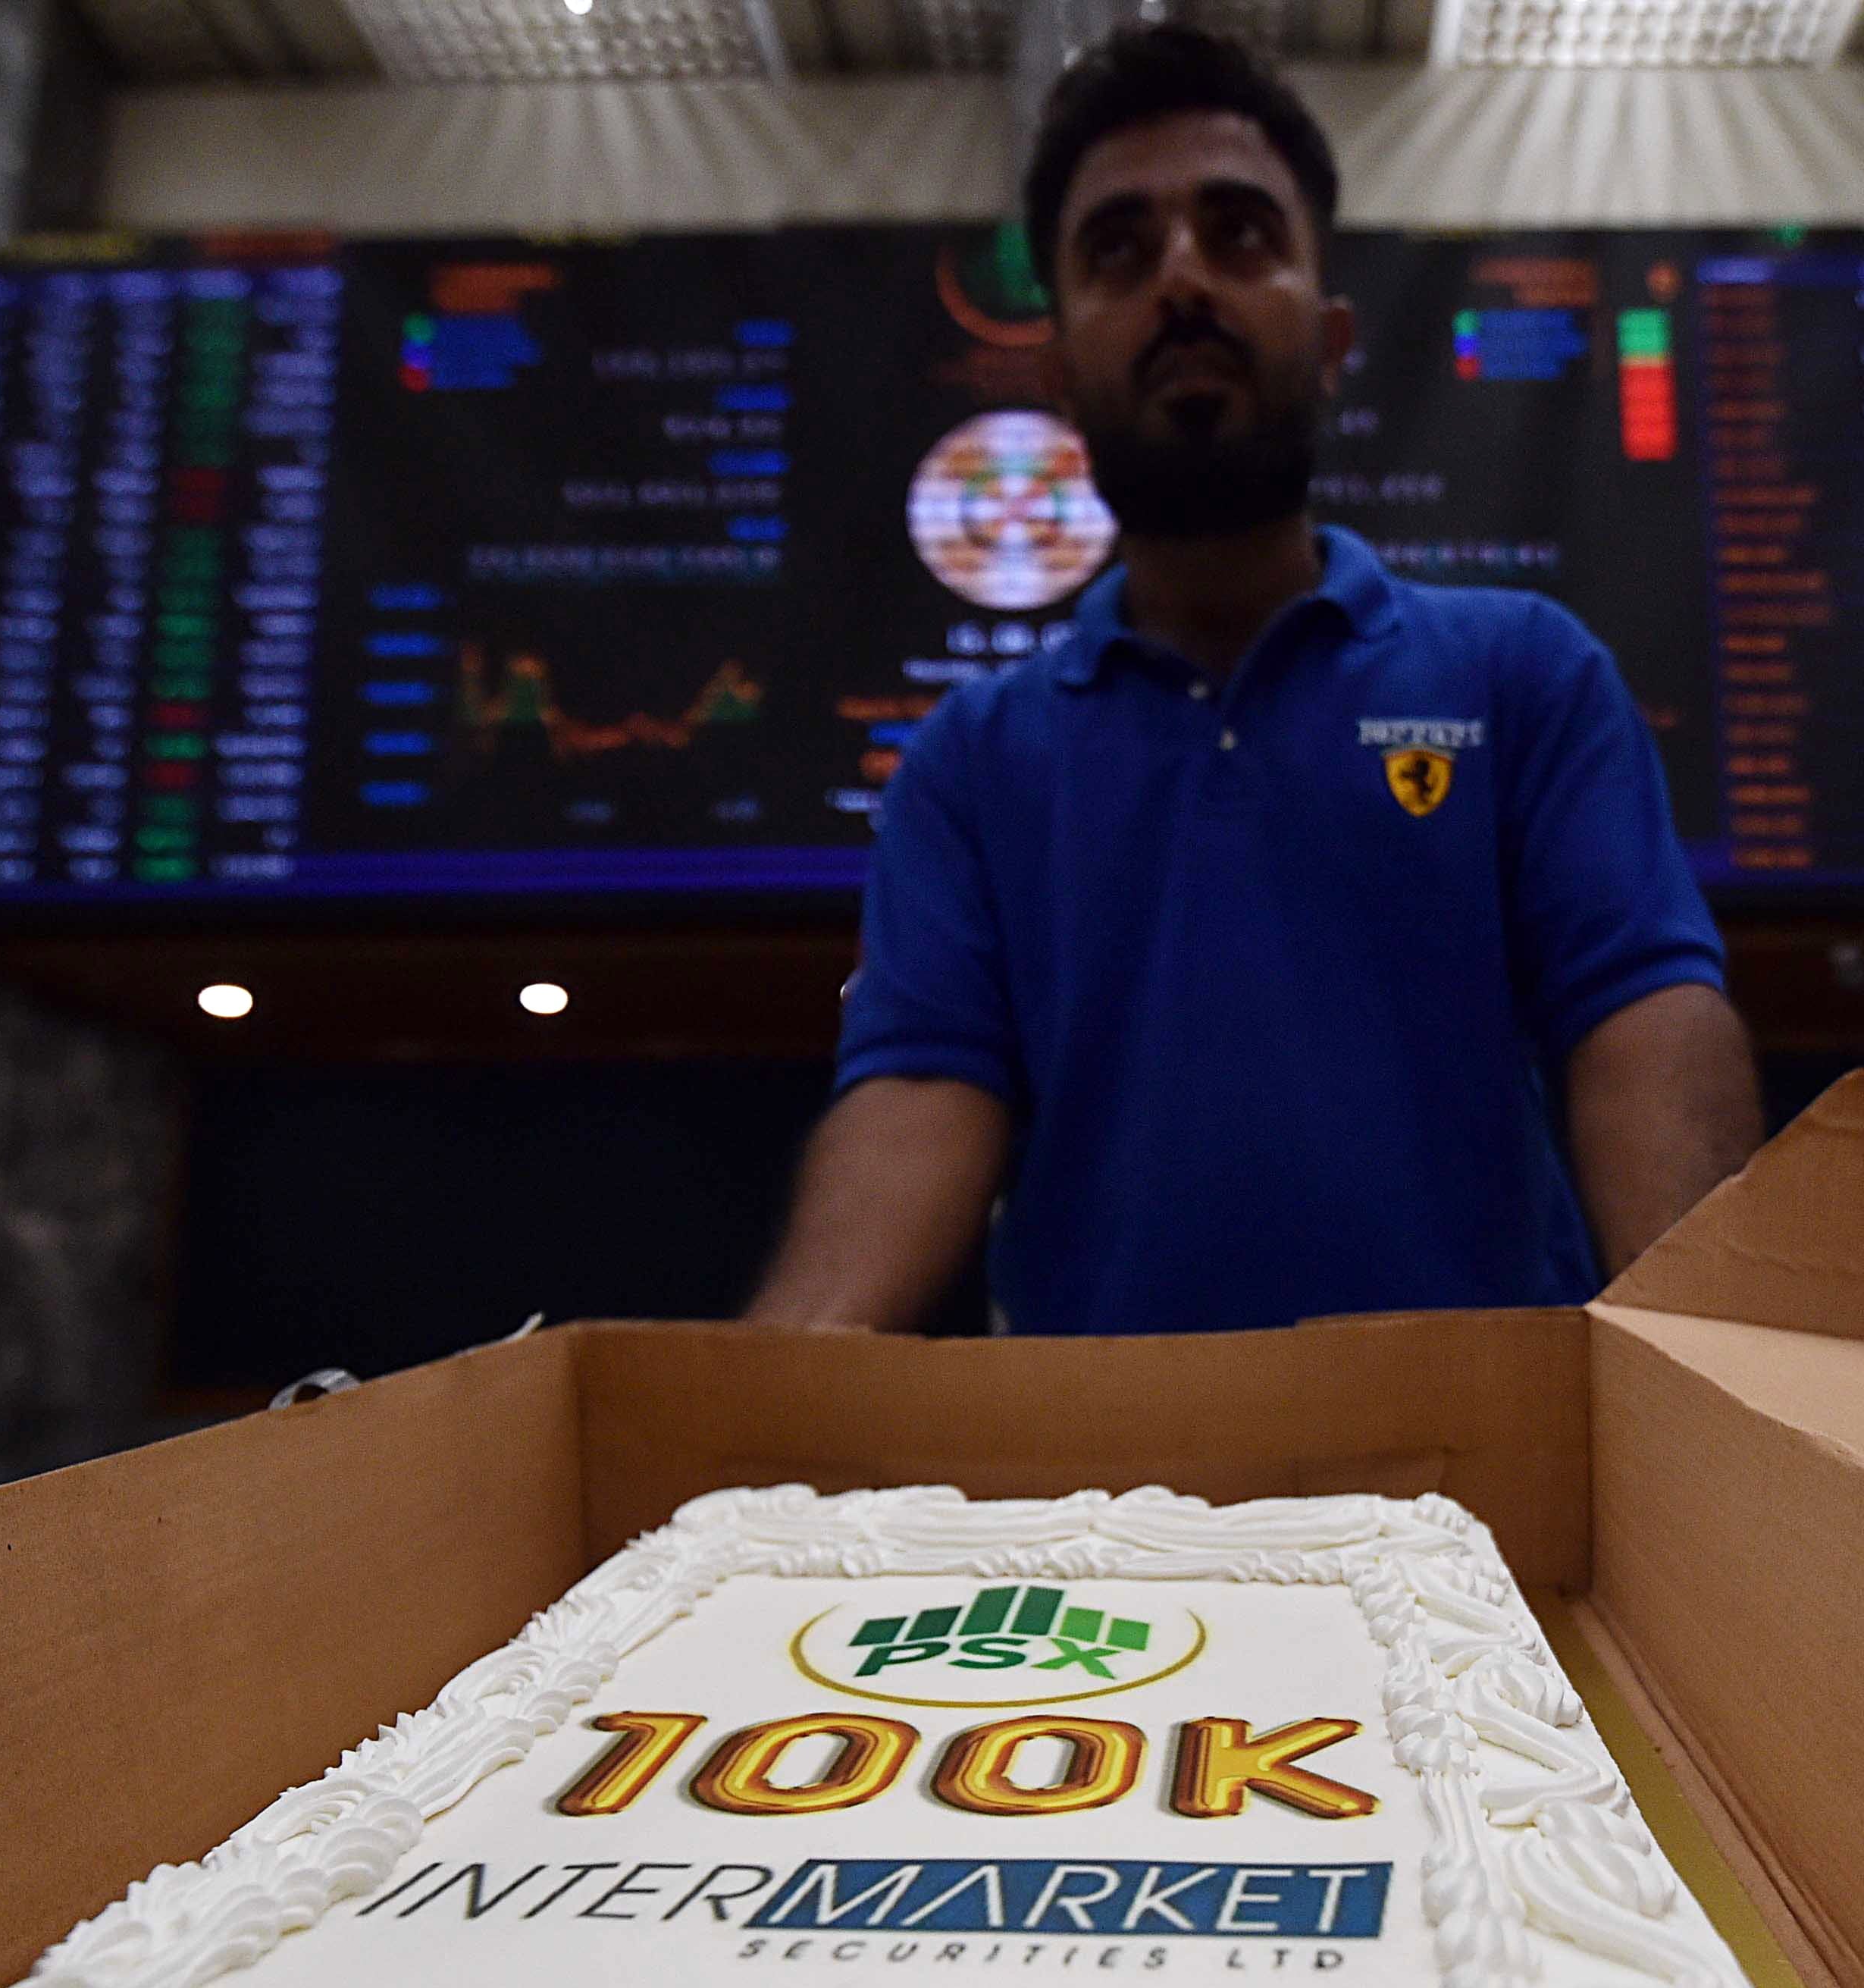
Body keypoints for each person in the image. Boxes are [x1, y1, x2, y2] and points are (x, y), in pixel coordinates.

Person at [747, 24, 1759, 1334]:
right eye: (1120, 251)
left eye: (1240, 236)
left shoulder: (1526, 676)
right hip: (1095, 1504)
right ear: (1056, 374)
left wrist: (1721, 1381)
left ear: (1331, 335)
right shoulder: (971, 763)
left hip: (1487, 1480)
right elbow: (919, 1094)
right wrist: (759, 1413)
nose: (1183, 282)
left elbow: (1640, 1016)